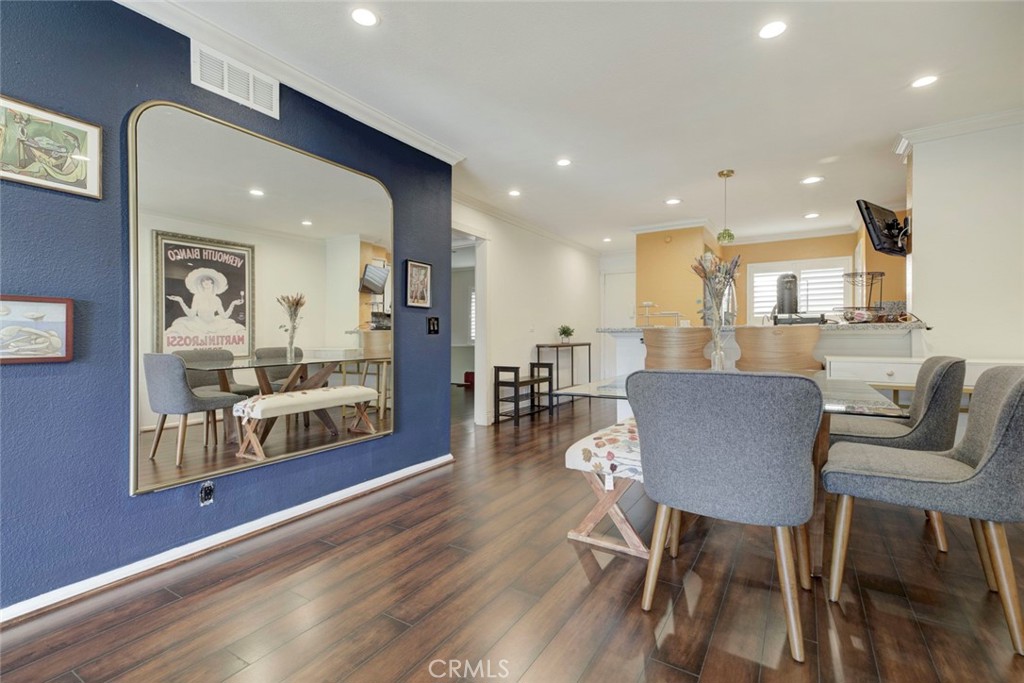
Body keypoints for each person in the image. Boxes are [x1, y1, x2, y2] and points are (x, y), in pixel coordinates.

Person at [165, 267, 246, 336]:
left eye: (208, 280)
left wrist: (233, 304)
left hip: (215, 324)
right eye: (203, 281)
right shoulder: (197, 297)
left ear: (212, 283)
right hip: (199, 324)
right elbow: (191, 315)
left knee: (236, 329)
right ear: (201, 284)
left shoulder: (217, 299)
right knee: (178, 328)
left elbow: (224, 316)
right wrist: (180, 301)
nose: (206, 282)